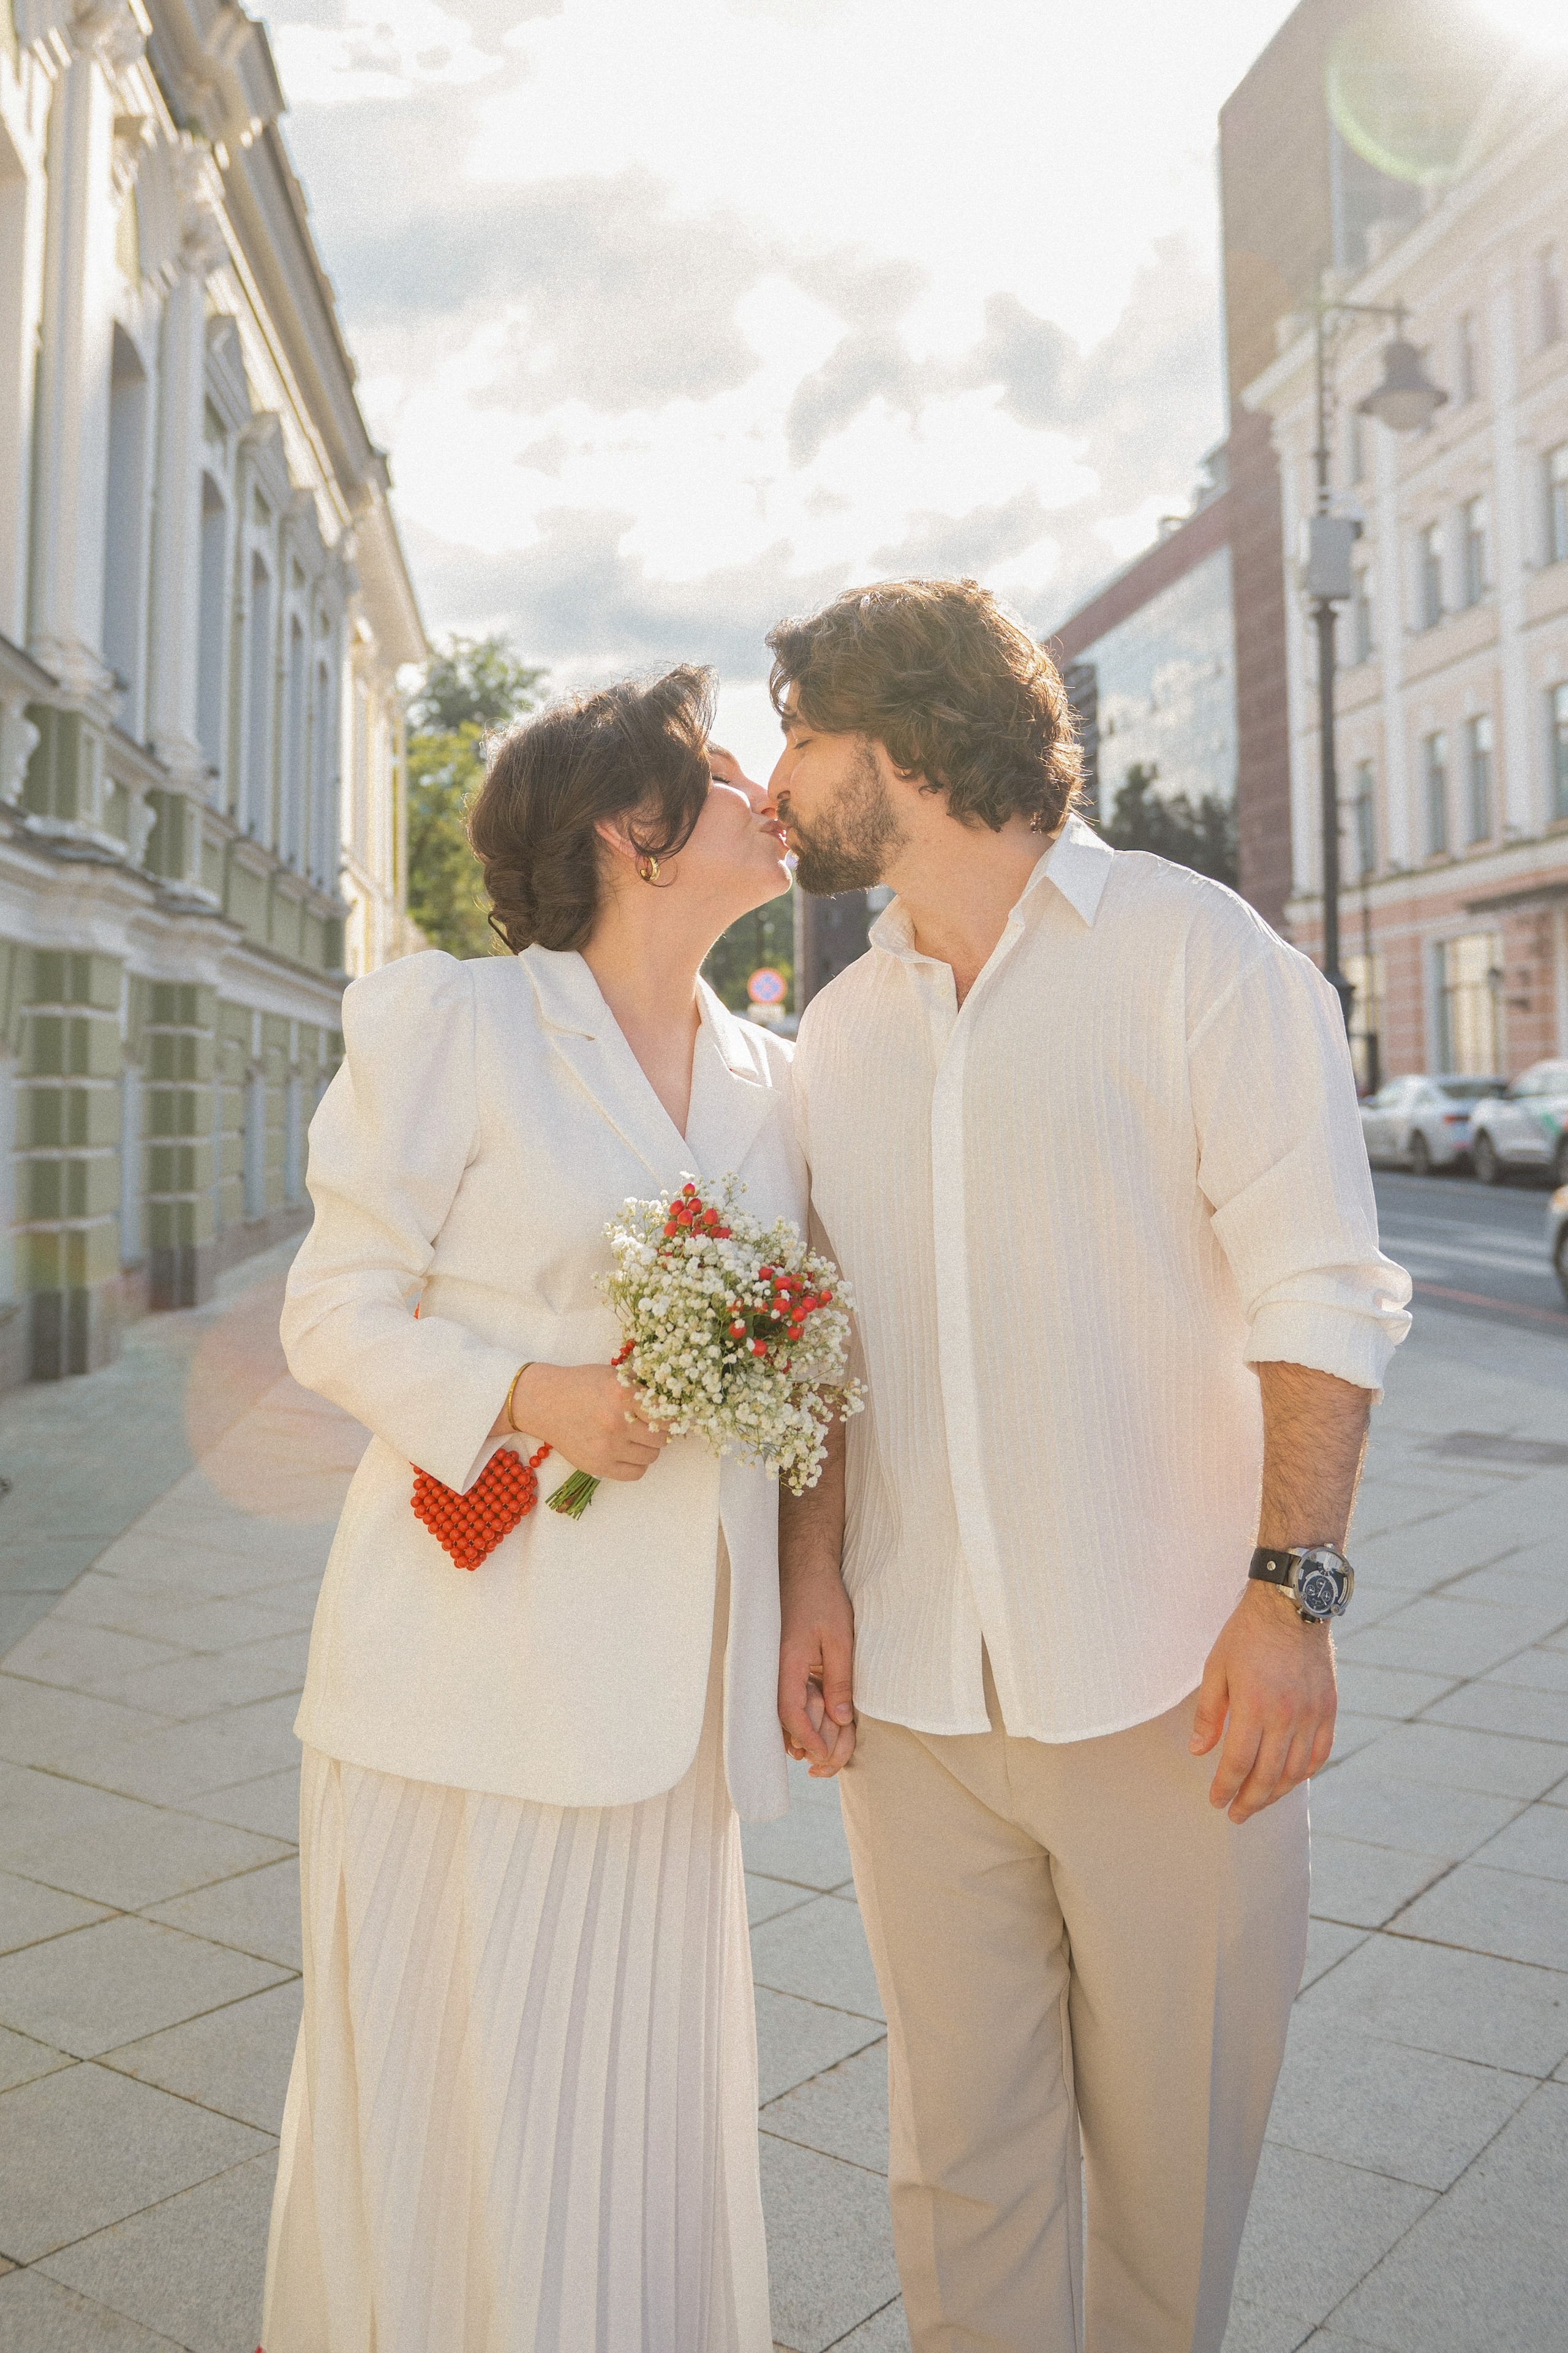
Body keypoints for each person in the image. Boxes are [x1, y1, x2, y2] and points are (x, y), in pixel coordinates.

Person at [768, 580, 1412, 2353]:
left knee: (1169, 2180)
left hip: (1173, 1691)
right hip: (914, 1704)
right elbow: (828, 1335)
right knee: (956, 2169)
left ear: (900, 742)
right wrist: (812, 1574)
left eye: (804, 733)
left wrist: (1296, 1598)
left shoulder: (1204, 958)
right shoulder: (841, 1034)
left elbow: (1324, 1292)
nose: (780, 777)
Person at [262, 668, 801, 2353]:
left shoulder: (771, 1076)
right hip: (462, 1681)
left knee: (635, 2117)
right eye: (719, 774)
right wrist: (537, 1395)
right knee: (458, 2107)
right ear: (631, 834)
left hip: (670, 1714)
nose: (760, 788)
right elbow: (332, 1313)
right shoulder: (462, 1023)